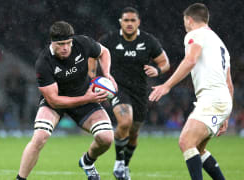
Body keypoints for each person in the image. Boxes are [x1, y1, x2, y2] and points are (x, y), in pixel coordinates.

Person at [16, 21, 118, 180]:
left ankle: (87, 161)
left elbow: (104, 52)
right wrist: (86, 98)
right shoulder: (43, 63)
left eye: (68, 43)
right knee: (40, 137)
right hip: (56, 102)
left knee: (106, 138)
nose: (65, 48)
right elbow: (55, 100)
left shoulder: (82, 43)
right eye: (61, 44)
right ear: (52, 42)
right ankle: (20, 179)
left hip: (85, 96)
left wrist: (107, 74)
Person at [149, 3, 233, 180]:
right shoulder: (220, 44)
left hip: (211, 99)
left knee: (186, 142)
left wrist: (167, 85)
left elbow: (191, 60)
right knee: (198, 149)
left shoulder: (194, 34)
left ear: (189, 19)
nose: (184, 25)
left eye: (184, 21)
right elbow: (229, 83)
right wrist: (226, 113)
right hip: (221, 99)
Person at [99, 7, 170, 180]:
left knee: (134, 133)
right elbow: (94, 54)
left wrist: (158, 70)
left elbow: (165, 62)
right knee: (125, 122)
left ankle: (125, 166)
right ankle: (118, 162)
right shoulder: (109, 39)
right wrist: (93, 76)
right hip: (118, 89)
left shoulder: (148, 41)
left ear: (138, 22)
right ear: (120, 22)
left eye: (132, 20)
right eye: (126, 20)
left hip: (140, 91)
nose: (129, 23)